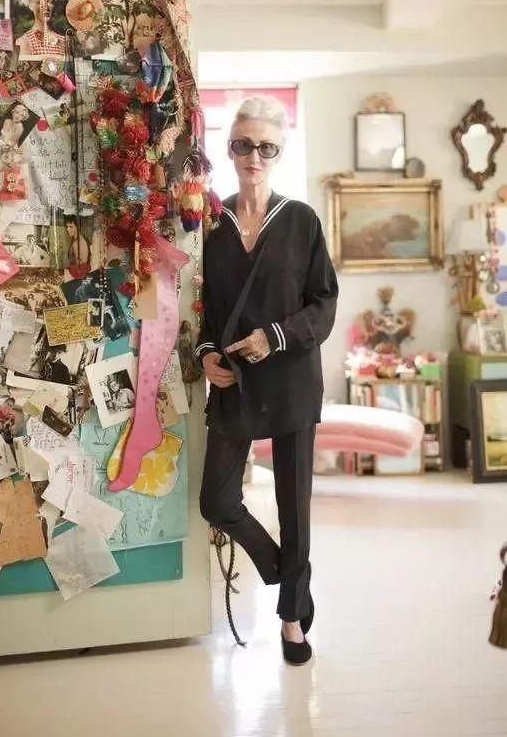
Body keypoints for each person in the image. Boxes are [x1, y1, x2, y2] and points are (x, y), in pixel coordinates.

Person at [196, 96, 338, 666]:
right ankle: (285, 573)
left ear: (279, 153)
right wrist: (207, 354)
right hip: (235, 384)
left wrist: (275, 337)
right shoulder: (210, 222)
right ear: (229, 149)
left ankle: (291, 621)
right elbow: (203, 308)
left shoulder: (301, 220)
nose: (253, 156)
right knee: (216, 500)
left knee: (293, 507)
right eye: (242, 144)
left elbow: (323, 304)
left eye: (266, 147)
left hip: (292, 381)